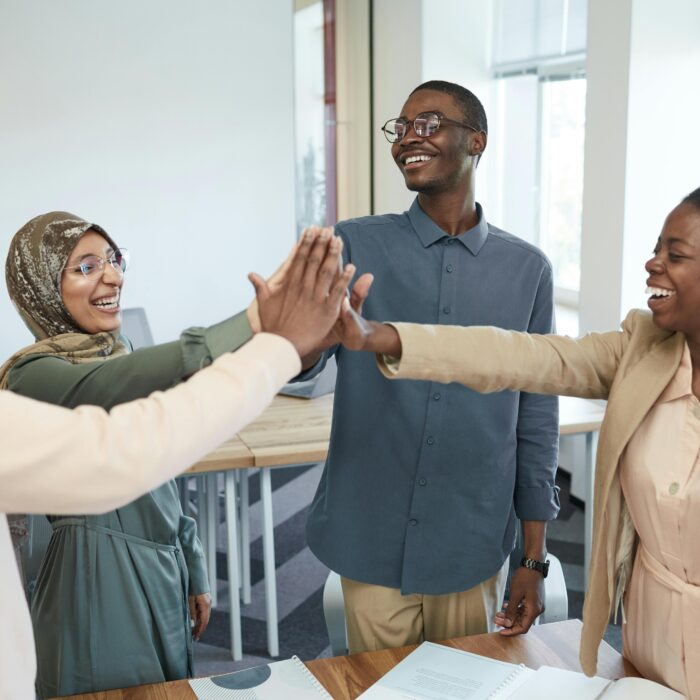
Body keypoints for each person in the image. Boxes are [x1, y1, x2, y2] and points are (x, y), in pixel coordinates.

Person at [336, 188, 700, 697]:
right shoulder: (641, 350)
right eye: (656, 247)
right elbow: (514, 355)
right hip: (648, 636)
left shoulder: (527, 265)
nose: (651, 263)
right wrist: (383, 336)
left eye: (675, 255)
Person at [1, 215, 352, 699]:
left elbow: (164, 474)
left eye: (113, 260)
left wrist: (194, 564)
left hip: (161, 568)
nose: (113, 277)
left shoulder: (117, 350)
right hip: (96, 578)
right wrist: (257, 326)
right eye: (85, 267)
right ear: (40, 287)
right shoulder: (32, 377)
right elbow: (110, 389)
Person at [298, 80, 559, 652]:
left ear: (477, 141)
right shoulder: (353, 243)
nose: (408, 138)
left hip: (470, 540)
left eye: (430, 123)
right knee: (378, 688)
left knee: (465, 688)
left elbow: (536, 422)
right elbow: (305, 364)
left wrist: (533, 560)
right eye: (402, 126)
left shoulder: (527, 271)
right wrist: (302, 333)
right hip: (368, 531)